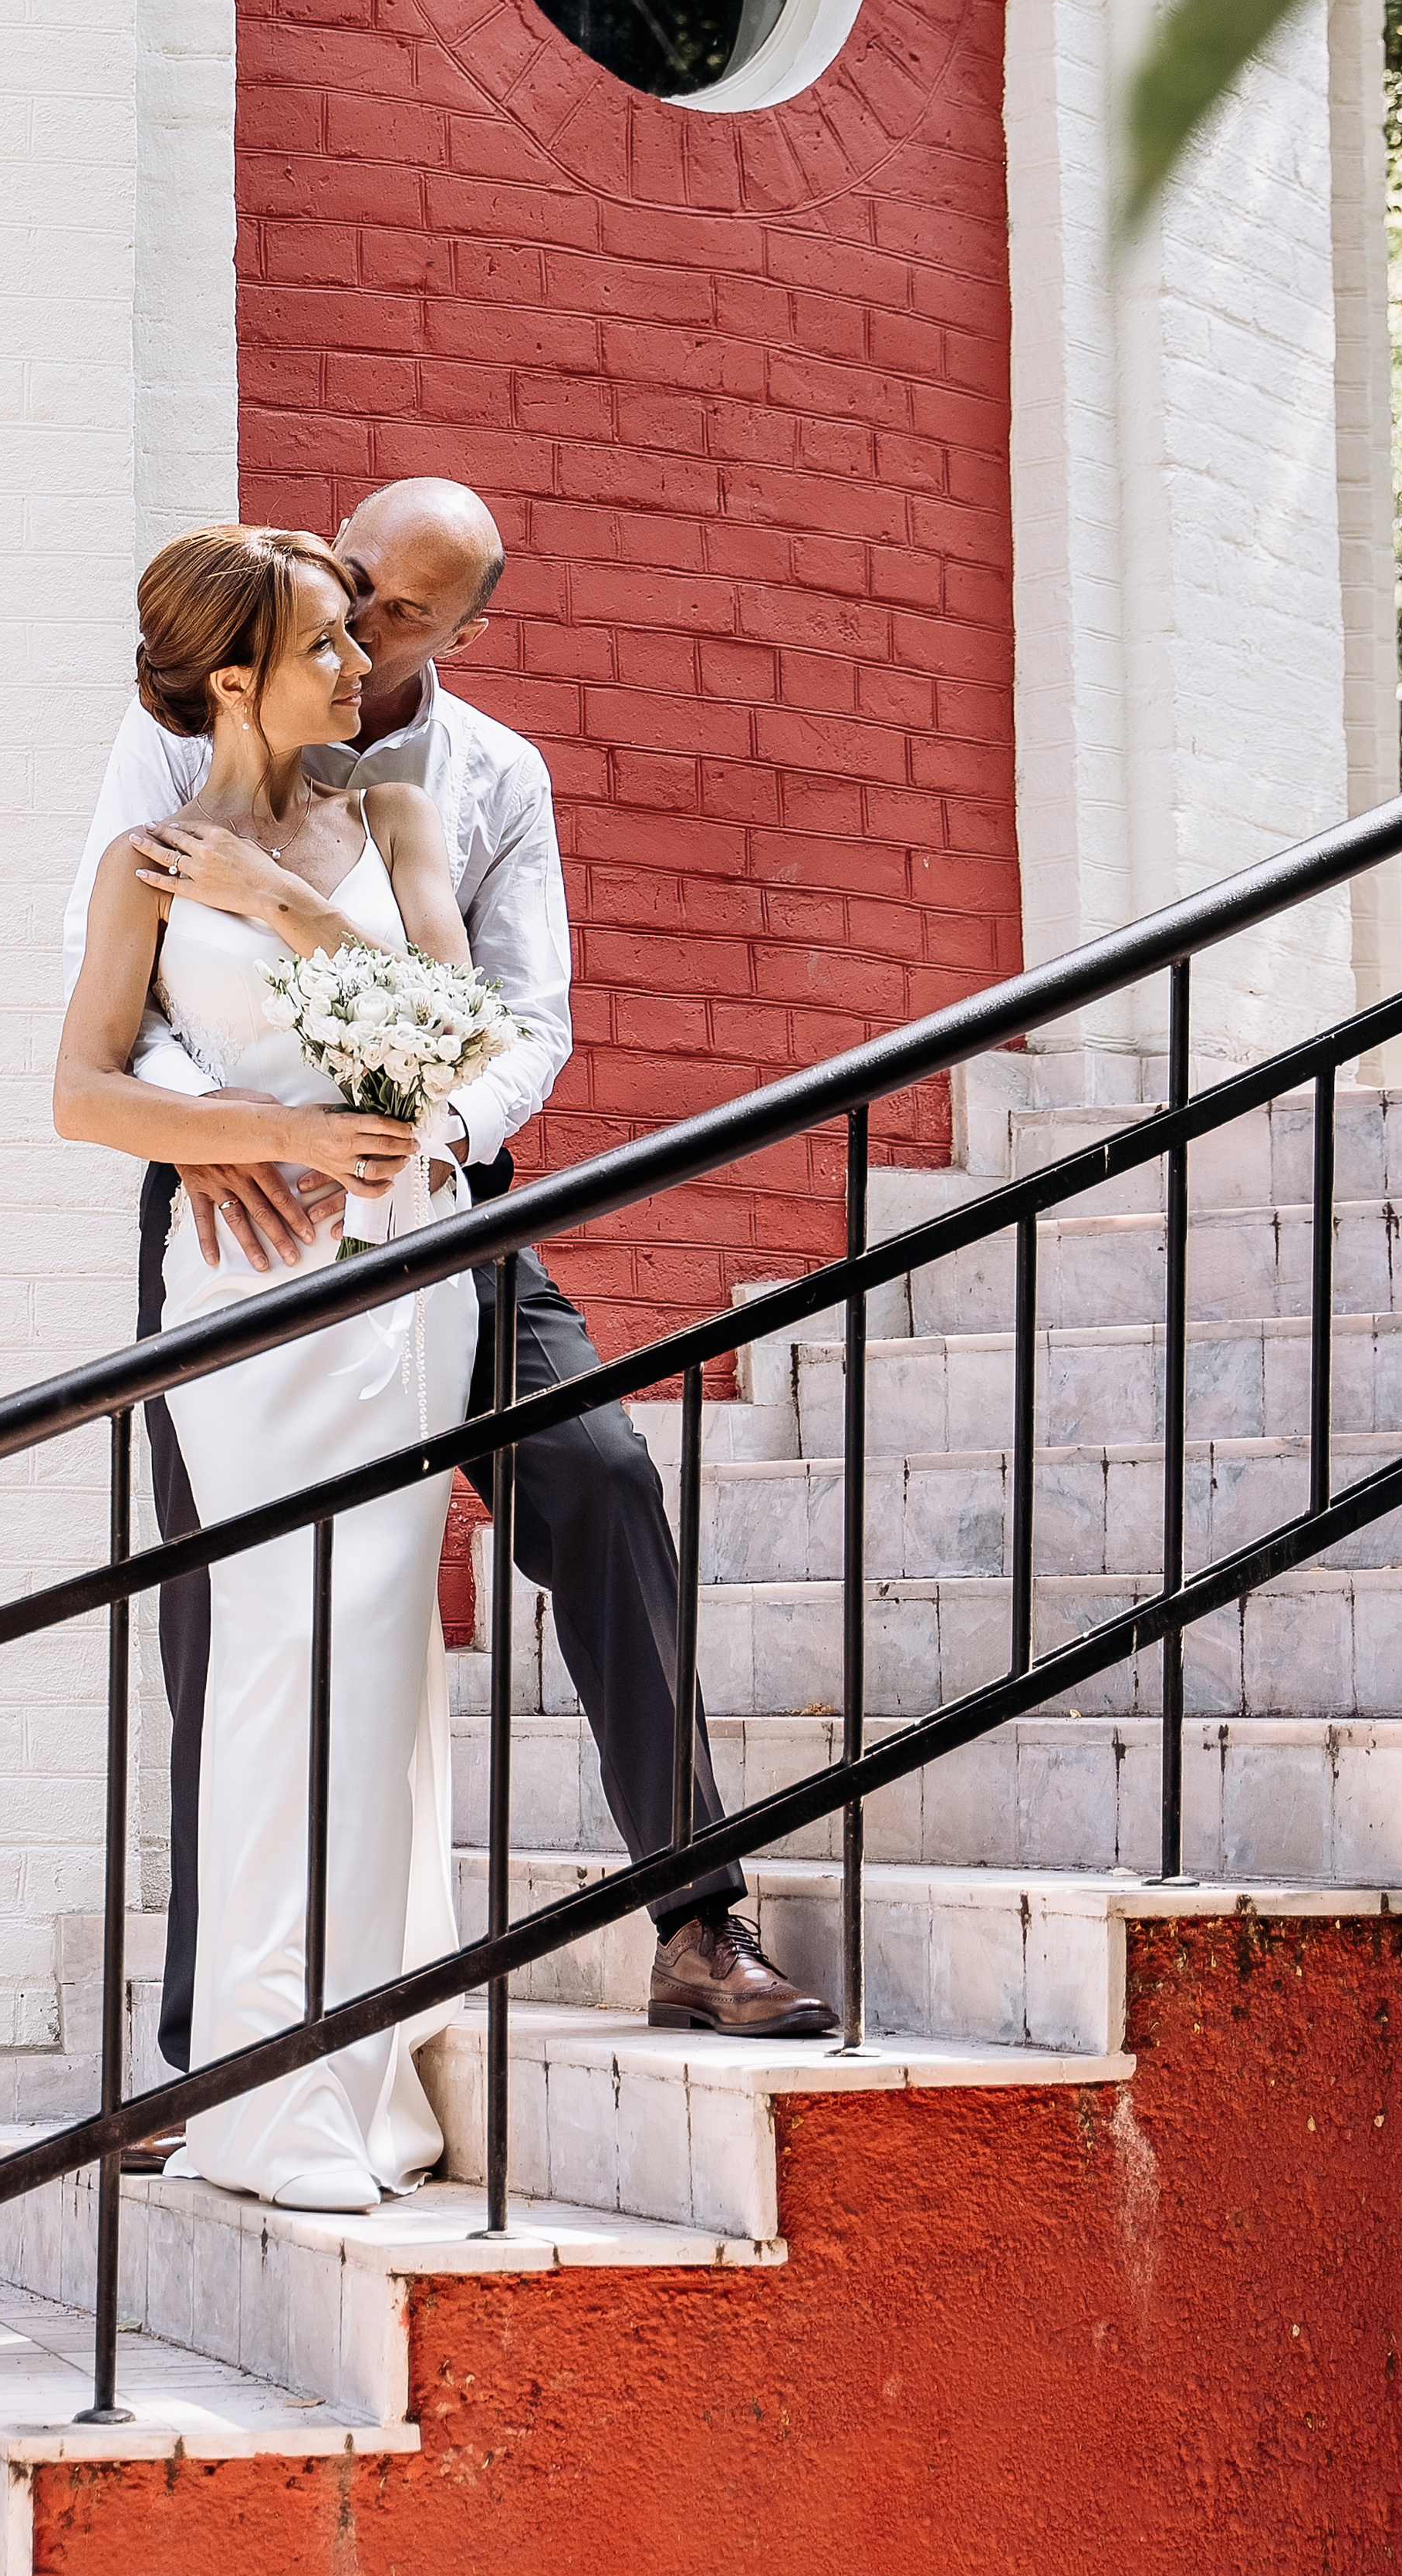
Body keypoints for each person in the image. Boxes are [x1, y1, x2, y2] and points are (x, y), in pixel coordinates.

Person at [62, 481, 833, 2106]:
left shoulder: (482, 780)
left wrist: (421, 1145)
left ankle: (697, 1917)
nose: (365, 629)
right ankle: (206, 2043)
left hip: (441, 1204)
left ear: (464, 632)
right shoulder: (192, 719)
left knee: (602, 1478)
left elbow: (521, 1018)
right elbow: (118, 974)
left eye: (403, 614)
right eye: (352, 592)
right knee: (226, 1605)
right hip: (232, 1207)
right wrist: (231, 1133)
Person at [56, 524, 480, 2210]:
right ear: (231, 680)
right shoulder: (143, 864)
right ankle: (257, 2088)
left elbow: (456, 1037)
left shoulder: (397, 820)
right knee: (261, 1661)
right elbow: (83, 1093)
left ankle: (353, 2084)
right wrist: (263, 1132)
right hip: (239, 1293)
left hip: (394, 1278)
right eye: (322, 645)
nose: (357, 668)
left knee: (369, 1657)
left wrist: (285, 909)